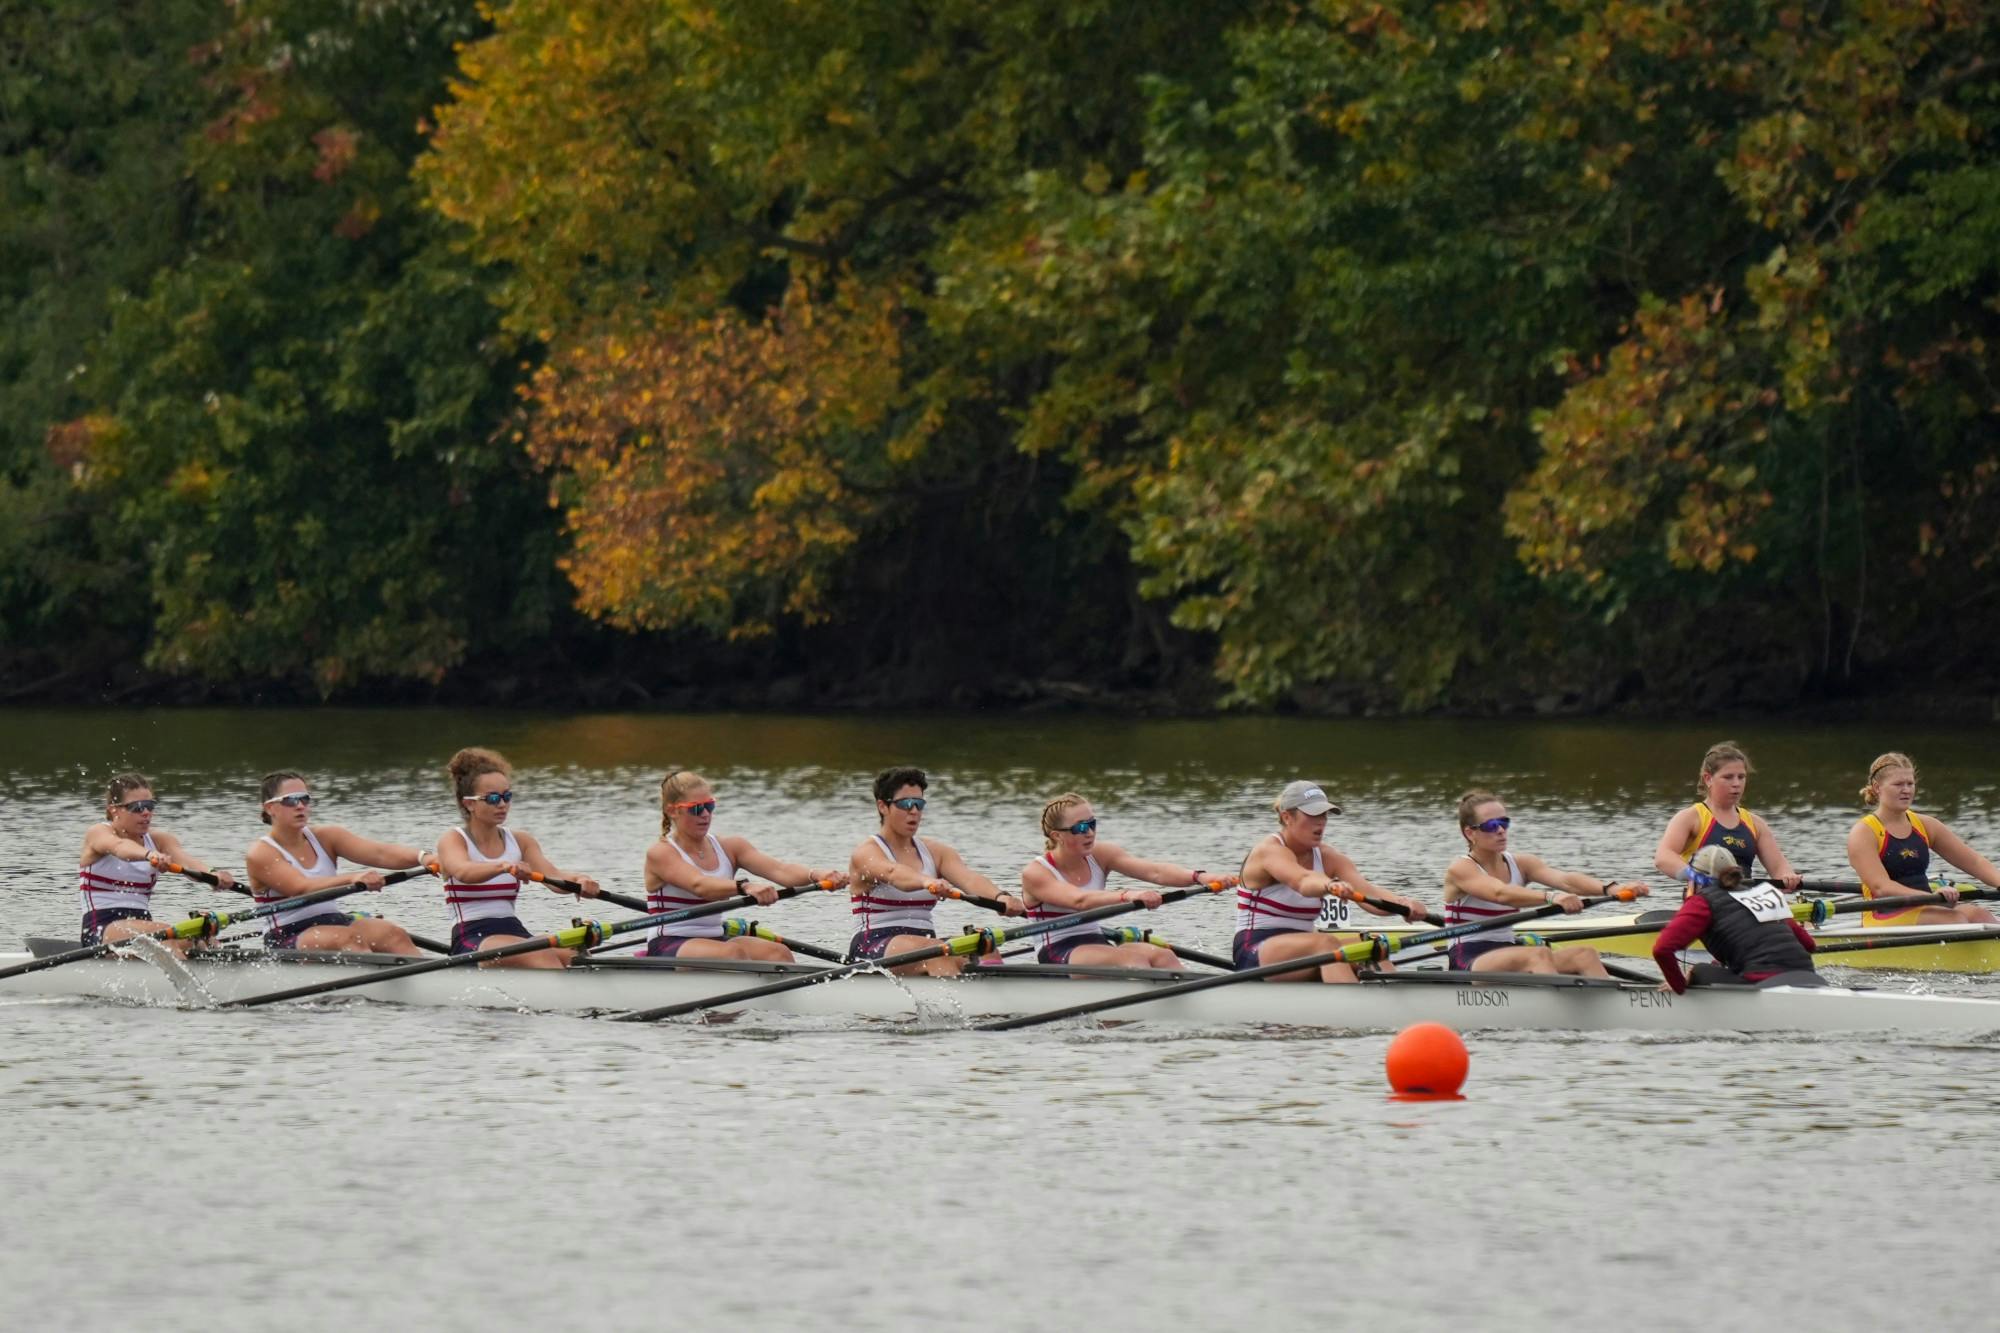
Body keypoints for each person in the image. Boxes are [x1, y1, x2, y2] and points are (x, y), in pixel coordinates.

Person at [644, 770, 848, 961]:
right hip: (670, 941)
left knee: (778, 953)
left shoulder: (731, 847)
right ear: (672, 811)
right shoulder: (661, 853)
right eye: (696, 808)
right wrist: (745, 886)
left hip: (715, 937)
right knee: (733, 953)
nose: (705, 814)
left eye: (710, 806)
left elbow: (781, 870)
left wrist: (817, 874)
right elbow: (699, 885)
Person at [1238, 781, 1429, 982]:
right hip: (1255, 951)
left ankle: (1398, 996)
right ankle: (1351, 998)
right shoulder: (1269, 851)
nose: (1321, 823)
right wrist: (1329, 885)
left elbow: (1368, 892)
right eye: (1313, 815)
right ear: (1287, 817)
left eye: (1324, 815)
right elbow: (1302, 880)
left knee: (1372, 946)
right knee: (1326, 944)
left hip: (1305, 948)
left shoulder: (1329, 857)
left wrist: (1404, 904)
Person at [1443, 789, 1648, 977]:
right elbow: (1500, 894)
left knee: (1585, 955)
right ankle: (1555, 1002)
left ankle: (1608, 1003)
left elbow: (1566, 881)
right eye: (1490, 826)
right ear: (1470, 833)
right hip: (1469, 957)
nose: (1500, 830)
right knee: (1538, 955)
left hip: (1509, 949)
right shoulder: (1461, 868)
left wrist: (1612, 888)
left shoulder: (1522, 863)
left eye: (1504, 822)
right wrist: (1551, 897)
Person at [847, 766, 1022, 975]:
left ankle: (998, 994)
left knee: (985, 947)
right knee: (936, 952)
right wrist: (927, 881)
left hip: (924, 943)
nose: (914, 811)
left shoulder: (936, 852)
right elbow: (893, 873)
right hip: (872, 944)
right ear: (883, 806)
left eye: (919, 804)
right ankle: (959, 994)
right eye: (905, 804)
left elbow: (969, 879)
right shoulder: (866, 853)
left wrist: (1001, 897)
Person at [436, 747, 601, 968]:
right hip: (472, 938)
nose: (502, 804)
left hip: (514, 932)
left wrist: (580, 880)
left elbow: (554, 877)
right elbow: (464, 871)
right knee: (541, 956)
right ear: (470, 803)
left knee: (573, 953)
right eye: (493, 798)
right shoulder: (453, 839)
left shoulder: (521, 840)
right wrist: (504, 867)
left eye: (507, 796)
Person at [1021, 793, 1225, 970]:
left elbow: (1155, 872)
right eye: (1081, 827)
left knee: (1164, 956)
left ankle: (1197, 997)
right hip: (1058, 951)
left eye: (1092, 824)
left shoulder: (1101, 854)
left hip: (1097, 942)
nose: (1090, 832)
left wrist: (1200, 877)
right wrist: (1128, 895)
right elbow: (1079, 900)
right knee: (1132, 960)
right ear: (1057, 835)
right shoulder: (1036, 872)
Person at [243, 771, 429, 956]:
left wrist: (424, 857)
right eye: (290, 800)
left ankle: (427, 975)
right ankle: (370, 973)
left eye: (305, 799)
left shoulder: (327, 837)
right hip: (286, 934)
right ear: (270, 808)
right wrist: (353, 878)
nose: (300, 806)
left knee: (393, 933)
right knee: (347, 939)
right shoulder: (261, 852)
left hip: (332, 920)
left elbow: (380, 854)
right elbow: (301, 888)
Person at [76, 772, 237, 951]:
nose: (146, 813)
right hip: (101, 930)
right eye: (137, 807)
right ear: (114, 810)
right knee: (164, 935)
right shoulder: (98, 833)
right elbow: (119, 847)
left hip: (144, 927)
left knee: (202, 938)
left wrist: (213, 874)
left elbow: (187, 861)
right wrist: (149, 855)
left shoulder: (160, 840)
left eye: (149, 806)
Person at [1846, 752, 2000, 926]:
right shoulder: (1864, 832)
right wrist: (1932, 898)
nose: (1906, 790)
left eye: (1910, 784)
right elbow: (1881, 887)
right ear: (1877, 787)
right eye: (1898, 784)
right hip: (1883, 915)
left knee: (1980, 915)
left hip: (1928, 907)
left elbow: (1975, 862)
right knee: (1954, 919)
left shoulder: (1925, 825)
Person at [1651, 845, 1823, 992]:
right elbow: (1809, 944)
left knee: (1699, 970)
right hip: (1809, 978)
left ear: (1696, 882)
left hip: (1761, 982)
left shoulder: (1702, 902)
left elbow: (1662, 949)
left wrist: (1679, 986)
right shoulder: (1764, 895)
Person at [1653, 741, 1802, 890]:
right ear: (1708, 779)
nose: (1736, 783)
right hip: (1704, 898)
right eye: (1728, 777)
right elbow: (1663, 858)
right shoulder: (1690, 818)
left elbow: (1778, 867)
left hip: (1743, 898)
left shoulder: (1756, 823)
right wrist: (1693, 875)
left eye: (1741, 777)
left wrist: (1788, 877)